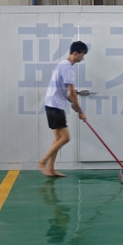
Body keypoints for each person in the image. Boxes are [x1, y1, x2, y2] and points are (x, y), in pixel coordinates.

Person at [38, 41, 88, 177]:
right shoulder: (68, 68)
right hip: (55, 106)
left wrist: (71, 101)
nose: (82, 58)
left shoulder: (62, 65)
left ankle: (51, 168)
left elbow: (62, 91)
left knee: (58, 139)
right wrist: (81, 112)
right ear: (75, 53)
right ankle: (42, 162)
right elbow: (71, 92)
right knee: (65, 138)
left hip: (52, 104)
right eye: (82, 55)